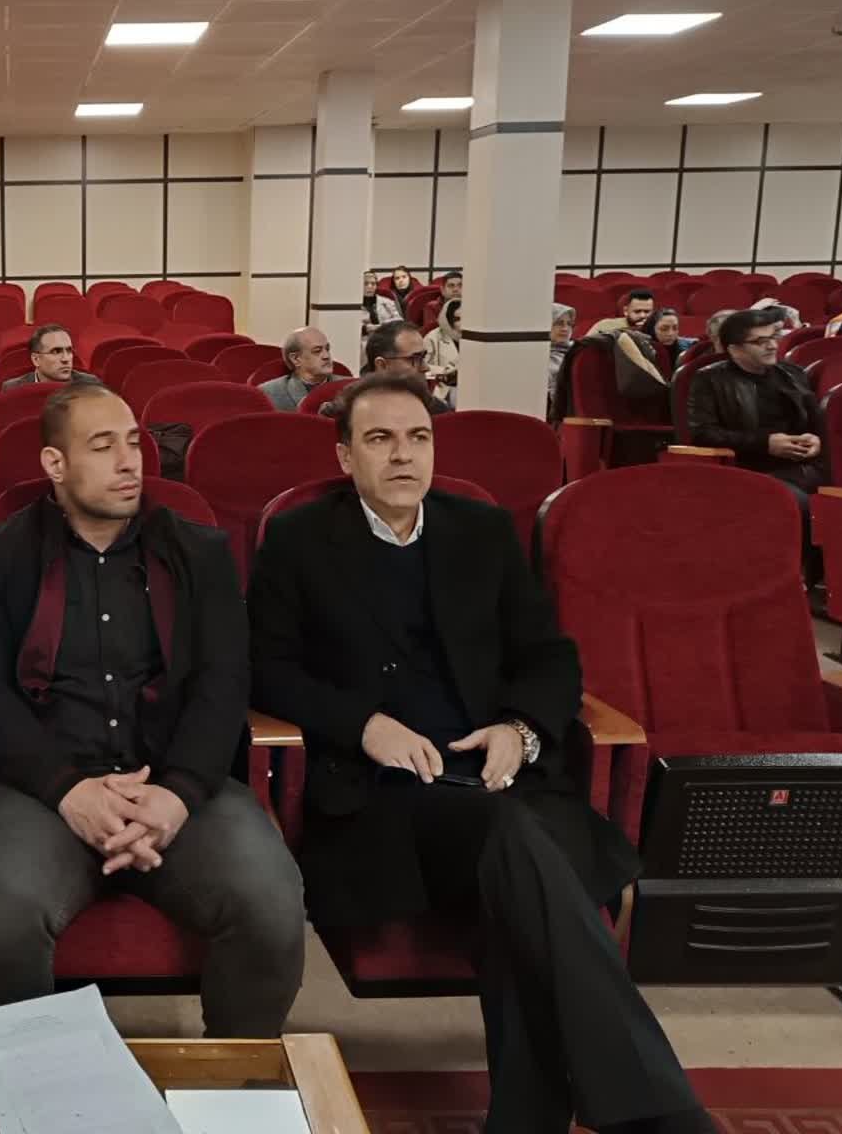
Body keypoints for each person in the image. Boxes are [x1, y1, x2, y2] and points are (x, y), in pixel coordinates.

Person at [248, 375, 713, 1134]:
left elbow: (549, 657)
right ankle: (659, 1113)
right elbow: (267, 668)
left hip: (503, 778)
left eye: (418, 438)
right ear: (345, 456)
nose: (403, 455)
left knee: (517, 886)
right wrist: (363, 725)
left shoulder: (483, 531)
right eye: (379, 439)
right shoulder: (299, 541)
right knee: (519, 847)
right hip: (388, 796)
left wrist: (519, 729)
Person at [0, 383, 305, 1036]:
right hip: (43, 789)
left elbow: (224, 683)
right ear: (55, 464)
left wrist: (177, 794)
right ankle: (31, 1088)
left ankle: (234, 1082)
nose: (128, 461)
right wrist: (68, 791)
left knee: (269, 900)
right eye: (102, 445)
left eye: (134, 442)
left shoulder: (199, 551)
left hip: (176, 783)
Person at [689, 309, 825, 511]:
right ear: (735, 350)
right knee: (803, 506)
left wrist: (815, 440)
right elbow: (702, 434)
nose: (772, 346)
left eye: (773, 337)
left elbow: (817, 423)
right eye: (760, 341)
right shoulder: (709, 379)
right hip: (747, 468)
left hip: (803, 467)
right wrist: (765, 443)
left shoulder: (793, 374)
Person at [355, 320, 453, 414]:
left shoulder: (435, 409)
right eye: (414, 359)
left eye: (423, 357)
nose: (425, 367)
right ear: (382, 365)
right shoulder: (356, 411)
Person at [258, 326, 341, 411]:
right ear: (296, 359)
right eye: (317, 351)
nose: (326, 356)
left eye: (327, 349)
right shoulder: (269, 393)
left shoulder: (348, 387)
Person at [0, 324, 102, 391]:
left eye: (69, 350)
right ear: (36, 359)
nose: (66, 359)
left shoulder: (90, 385)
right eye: (56, 352)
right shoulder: (13, 389)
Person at [421, 298, 462, 404]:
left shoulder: (476, 339)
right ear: (448, 320)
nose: (463, 323)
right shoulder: (432, 337)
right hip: (443, 388)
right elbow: (422, 369)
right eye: (457, 319)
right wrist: (444, 372)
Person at [586, 287, 656, 338]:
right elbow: (584, 346)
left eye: (647, 312)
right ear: (625, 311)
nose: (642, 315)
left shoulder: (657, 329)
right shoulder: (605, 325)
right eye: (637, 311)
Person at [549, 303, 576, 417]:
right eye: (559, 323)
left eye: (569, 324)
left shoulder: (578, 351)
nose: (565, 329)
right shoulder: (534, 356)